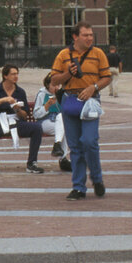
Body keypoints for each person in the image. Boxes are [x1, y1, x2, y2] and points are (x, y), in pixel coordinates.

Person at [51, 22, 111, 200]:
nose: (90, 38)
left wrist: (93, 87)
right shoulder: (63, 55)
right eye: (86, 35)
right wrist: (68, 74)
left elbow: (107, 77)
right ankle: (78, 187)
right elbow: (54, 79)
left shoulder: (98, 54)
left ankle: (97, 178)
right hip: (70, 101)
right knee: (75, 146)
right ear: (75, 37)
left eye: (91, 35)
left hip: (90, 101)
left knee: (89, 141)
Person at [0, 65, 44, 176]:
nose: (16, 76)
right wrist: (3, 100)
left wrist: (17, 109)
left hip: (15, 120)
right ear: (5, 76)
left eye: (17, 74)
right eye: (13, 74)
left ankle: (32, 163)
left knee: (37, 128)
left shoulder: (20, 92)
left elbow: (24, 116)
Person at [33, 73, 70, 168]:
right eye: (54, 85)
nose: (56, 88)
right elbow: (36, 114)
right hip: (45, 121)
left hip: (59, 122)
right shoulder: (42, 94)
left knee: (62, 121)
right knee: (64, 128)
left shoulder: (62, 94)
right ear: (47, 84)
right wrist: (47, 106)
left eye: (58, 85)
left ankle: (58, 147)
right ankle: (63, 159)